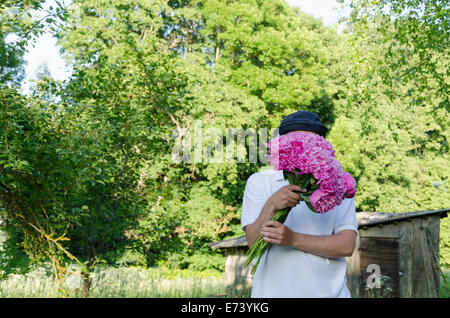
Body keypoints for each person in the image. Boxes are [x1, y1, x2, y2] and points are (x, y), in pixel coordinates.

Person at [241, 110, 358, 298]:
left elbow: (346, 246)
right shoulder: (259, 182)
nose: (304, 148)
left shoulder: (338, 185)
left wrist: (293, 239)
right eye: (296, 141)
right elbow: (252, 242)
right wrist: (271, 204)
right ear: (281, 144)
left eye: (311, 142)